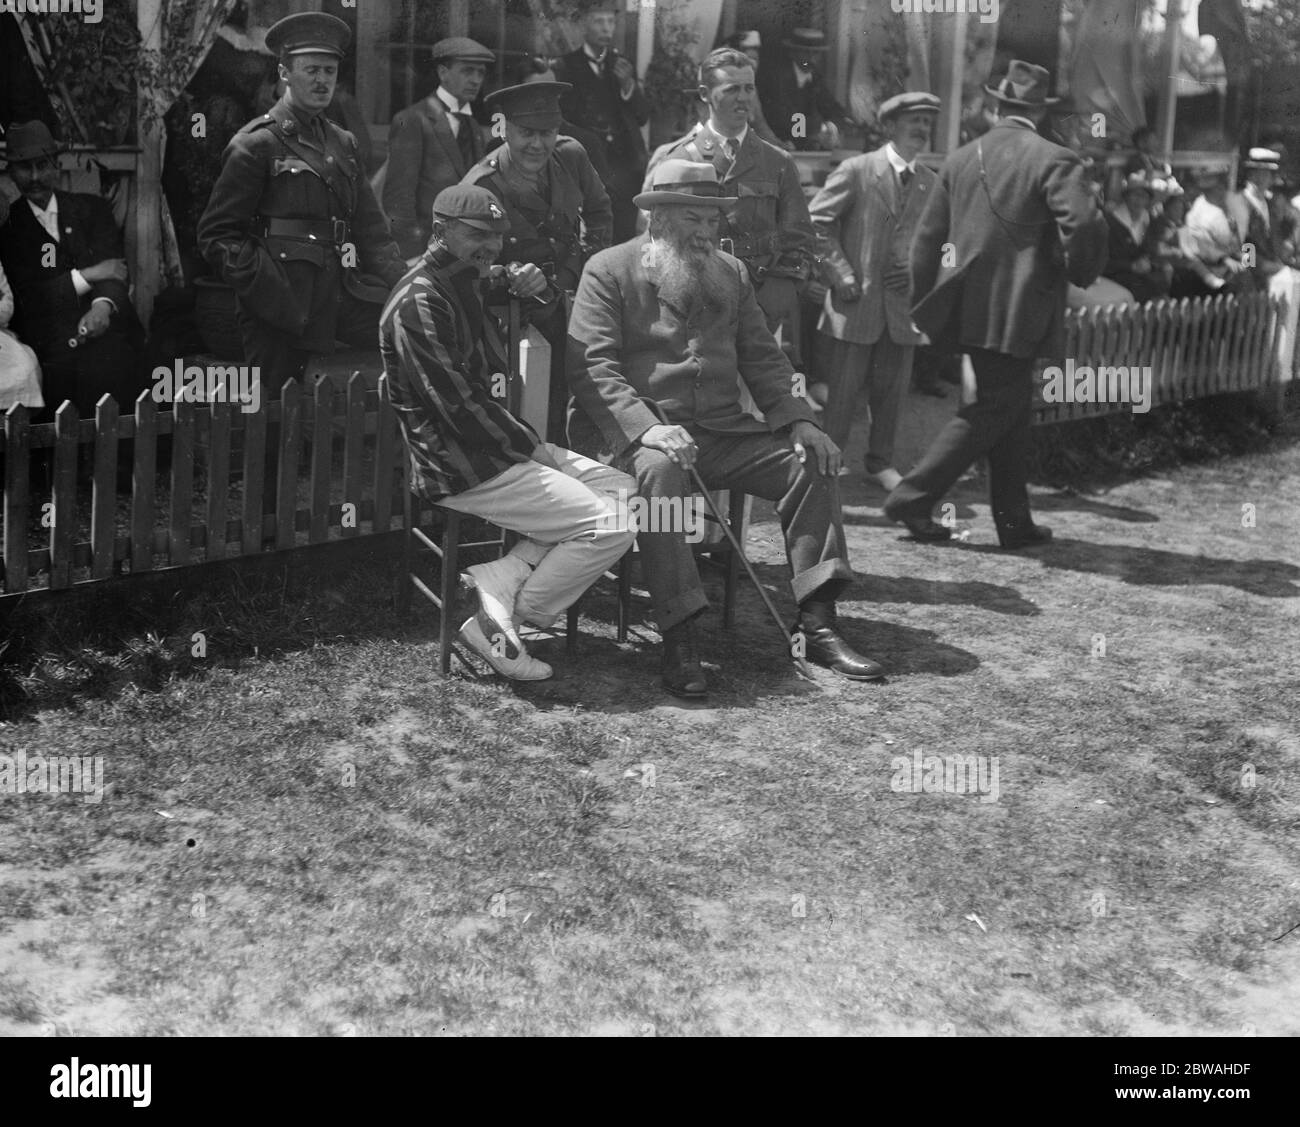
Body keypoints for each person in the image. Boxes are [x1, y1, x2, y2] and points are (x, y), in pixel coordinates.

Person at [567, 159, 886, 699]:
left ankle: (817, 623)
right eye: (694, 218)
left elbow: (764, 359)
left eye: (714, 221)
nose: (706, 232)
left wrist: (801, 420)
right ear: (658, 219)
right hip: (632, 439)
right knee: (662, 475)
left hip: (718, 433)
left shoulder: (729, 273)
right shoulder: (608, 269)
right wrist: (646, 430)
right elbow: (592, 369)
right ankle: (680, 634)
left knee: (810, 462)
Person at [380, 185, 635, 681]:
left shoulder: (461, 275)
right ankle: (500, 625)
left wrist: (534, 283)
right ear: (439, 232)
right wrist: (532, 448)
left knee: (623, 490)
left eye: (497, 238)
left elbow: (516, 293)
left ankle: (499, 588)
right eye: (477, 235)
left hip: (494, 449)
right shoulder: (419, 301)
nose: (490, 248)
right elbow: (457, 406)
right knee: (614, 525)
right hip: (458, 464)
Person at [884, 61, 1108, 548]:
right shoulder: (1056, 158)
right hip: (1022, 308)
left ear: (996, 106)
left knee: (1011, 409)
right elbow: (1086, 226)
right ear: (1039, 111)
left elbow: (926, 241)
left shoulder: (961, 157)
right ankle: (912, 498)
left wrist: (927, 306)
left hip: (967, 307)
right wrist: (1081, 271)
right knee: (994, 407)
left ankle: (1014, 522)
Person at [197, 13, 406, 395]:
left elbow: (372, 232)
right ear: (284, 73)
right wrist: (267, 288)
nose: (322, 80)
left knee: (358, 392)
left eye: (329, 70)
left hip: (339, 296)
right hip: (278, 306)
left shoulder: (343, 143)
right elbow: (217, 236)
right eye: (311, 69)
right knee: (275, 417)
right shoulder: (255, 144)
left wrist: (403, 287)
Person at [462, 80, 611, 443]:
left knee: (592, 391)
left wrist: (584, 272)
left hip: (571, 298)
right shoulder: (483, 184)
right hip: (512, 316)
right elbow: (467, 261)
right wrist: (508, 272)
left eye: (547, 133)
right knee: (525, 412)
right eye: (526, 132)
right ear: (506, 130)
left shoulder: (571, 156)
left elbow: (600, 212)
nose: (537, 144)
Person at [645, 48, 815, 362]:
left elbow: (799, 242)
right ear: (705, 94)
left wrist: (768, 307)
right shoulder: (673, 157)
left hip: (758, 310)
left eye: (749, 88)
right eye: (731, 89)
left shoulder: (777, 162)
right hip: (689, 310)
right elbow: (649, 243)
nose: (743, 98)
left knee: (752, 402)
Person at [809, 91, 941, 492]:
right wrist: (840, 273)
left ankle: (881, 463)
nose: (921, 129)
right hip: (856, 302)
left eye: (927, 122)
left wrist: (920, 274)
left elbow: (941, 245)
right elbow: (815, 223)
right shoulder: (858, 170)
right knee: (843, 394)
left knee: (891, 393)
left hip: (903, 309)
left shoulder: (931, 183)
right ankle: (825, 463)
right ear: (889, 126)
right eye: (913, 121)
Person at [0, 120, 143, 419]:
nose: (36, 177)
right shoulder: (8, 228)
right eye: (25, 168)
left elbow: (115, 269)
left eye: (43, 165)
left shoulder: (92, 209)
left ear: (56, 164)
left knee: (119, 362)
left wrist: (102, 307)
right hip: (48, 337)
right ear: (11, 172)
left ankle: (121, 460)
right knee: (69, 377)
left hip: (104, 327)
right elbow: (30, 297)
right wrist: (88, 275)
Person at [383, 37, 495, 260]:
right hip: (424, 251)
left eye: (480, 73)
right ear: (443, 73)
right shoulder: (413, 119)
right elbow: (398, 198)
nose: (475, 80)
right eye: (467, 71)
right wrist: (411, 255)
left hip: (464, 251)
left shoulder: (473, 127)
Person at [554, 0, 649, 243]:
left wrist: (628, 85)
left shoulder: (621, 65)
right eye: (599, 21)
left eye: (610, 21)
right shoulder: (565, 66)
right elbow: (563, 121)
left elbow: (642, 116)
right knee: (594, 231)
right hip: (587, 164)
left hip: (624, 168)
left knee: (625, 231)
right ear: (584, 24)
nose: (607, 28)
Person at [1239, 147, 1300, 380]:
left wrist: (1286, 250)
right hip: (1251, 274)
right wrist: (1259, 267)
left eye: (1268, 174)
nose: (1265, 178)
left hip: (1272, 267)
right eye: (1260, 173)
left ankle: (1283, 368)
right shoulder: (1241, 202)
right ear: (1251, 174)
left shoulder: (1269, 203)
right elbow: (1244, 246)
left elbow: (1283, 230)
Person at [759, 27, 849, 152]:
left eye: (816, 53)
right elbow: (785, 119)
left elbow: (835, 110)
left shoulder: (815, 77)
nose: (811, 59)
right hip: (776, 147)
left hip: (803, 150)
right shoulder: (776, 78)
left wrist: (832, 128)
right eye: (806, 53)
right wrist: (820, 129)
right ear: (793, 52)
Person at [1103, 170, 1170, 303]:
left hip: (1142, 276)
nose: (1139, 200)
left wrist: (1147, 263)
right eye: (1135, 195)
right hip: (1117, 276)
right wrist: (1131, 266)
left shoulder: (1148, 222)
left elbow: (1152, 251)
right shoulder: (1110, 223)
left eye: (1144, 196)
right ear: (1126, 197)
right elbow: (1103, 262)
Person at [1184, 167, 1253, 295]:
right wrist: (1225, 259)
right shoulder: (1197, 213)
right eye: (1215, 188)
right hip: (1210, 271)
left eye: (1223, 186)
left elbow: (1247, 237)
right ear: (1205, 190)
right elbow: (1200, 246)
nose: (1221, 191)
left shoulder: (1233, 204)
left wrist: (1249, 261)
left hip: (1237, 268)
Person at [720, 29, 782, 147]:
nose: (753, 64)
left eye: (756, 59)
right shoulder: (722, 89)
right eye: (747, 59)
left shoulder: (752, 91)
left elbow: (760, 126)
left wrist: (778, 145)